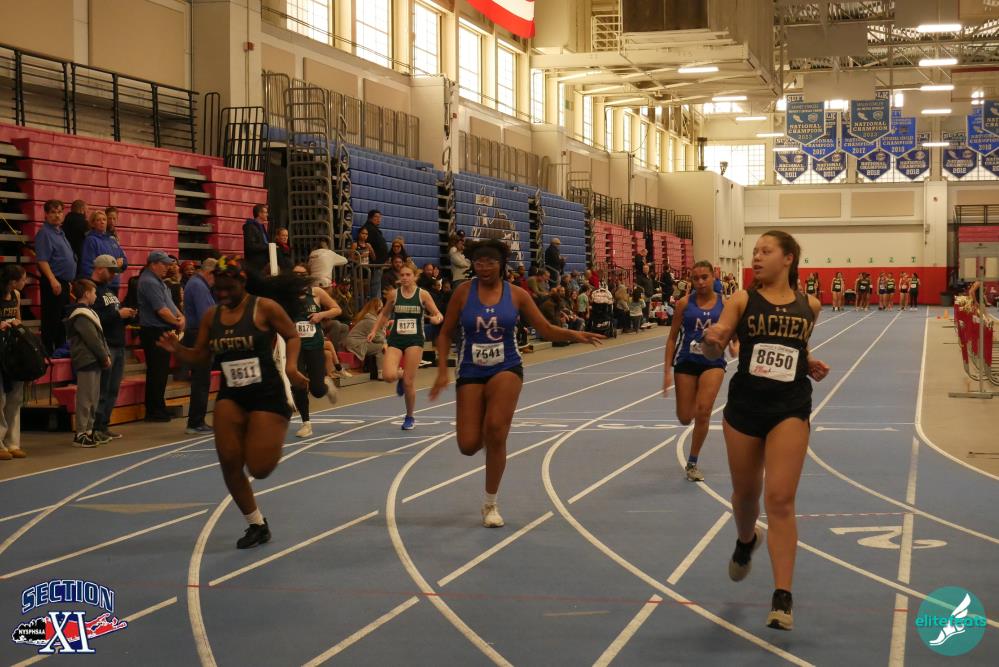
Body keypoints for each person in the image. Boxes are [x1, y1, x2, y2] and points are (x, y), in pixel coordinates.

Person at [701, 230, 831, 632]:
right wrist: (712, 342)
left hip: (790, 407)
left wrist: (808, 360)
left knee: (780, 499)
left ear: (788, 258)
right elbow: (717, 345)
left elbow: (796, 345)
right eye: (754, 251)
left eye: (765, 251)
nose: (756, 257)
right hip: (745, 408)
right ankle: (746, 540)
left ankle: (782, 596)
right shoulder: (742, 299)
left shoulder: (810, 305)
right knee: (745, 495)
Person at [429, 239, 603, 527]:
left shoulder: (517, 294)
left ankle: (490, 504)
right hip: (470, 369)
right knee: (468, 445)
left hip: (506, 365)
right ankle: (485, 427)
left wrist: (576, 335)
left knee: (496, 430)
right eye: (479, 262)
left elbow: (545, 328)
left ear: (501, 265)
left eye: (490, 262)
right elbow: (445, 332)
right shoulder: (463, 292)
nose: (484, 268)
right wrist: (441, 372)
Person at [158, 257, 308, 549]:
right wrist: (177, 349)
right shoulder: (211, 317)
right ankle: (256, 524)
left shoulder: (265, 307)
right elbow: (201, 357)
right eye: (218, 288)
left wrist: (291, 368)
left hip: (266, 395)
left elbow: (292, 335)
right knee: (228, 461)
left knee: (259, 469)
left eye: (229, 288)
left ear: (242, 282)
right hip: (232, 395)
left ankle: (275, 424)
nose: (223, 294)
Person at [663, 261, 730, 482]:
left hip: (713, 362)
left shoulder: (725, 303)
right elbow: (672, 338)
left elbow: (733, 333)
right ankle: (692, 400)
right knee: (685, 417)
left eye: (704, 277)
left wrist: (735, 345)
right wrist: (666, 371)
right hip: (686, 361)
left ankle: (692, 462)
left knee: (704, 411)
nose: (700, 282)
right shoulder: (684, 304)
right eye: (695, 278)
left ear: (713, 278)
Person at [368, 261, 443, 429]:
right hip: (396, 339)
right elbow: (384, 315)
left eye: (408, 275)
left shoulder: (422, 295)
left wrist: (436, 319)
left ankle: (409, 416)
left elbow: (438, 314)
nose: (404, 278)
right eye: (402, 275)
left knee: (409, 383)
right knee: (388, 376)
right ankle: (400, 375)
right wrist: (374, 330)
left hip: (415, 340)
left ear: (415, 276)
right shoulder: (394, 295)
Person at [288, 264, 341, 438]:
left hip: (314, 344)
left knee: (317, 390)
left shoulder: (316, 293)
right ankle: (306, 423)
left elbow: (337, 309)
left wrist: (321, 315)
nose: (299, 277)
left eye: (303, 274)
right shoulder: (287, 295)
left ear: (309, 276)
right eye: (295, 274)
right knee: (298, 384)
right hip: (295, 347)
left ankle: (326, 385)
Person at [91, 255, 137, 442]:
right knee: (102, 389)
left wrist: (127, 316)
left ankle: (104, 425)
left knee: (112, 389)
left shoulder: (109, 291)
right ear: (99, 269)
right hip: (106, 344)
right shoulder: (91, 290)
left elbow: (114, 315)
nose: (113, 275)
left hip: (118, 343)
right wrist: (118, 315)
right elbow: (94, 319)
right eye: (110, 271)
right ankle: (95, 427)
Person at [138, 251, 185, 422]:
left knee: (161, 371)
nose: (167, 267)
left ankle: (158, 407)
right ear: (153, 264)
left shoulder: (158, 281)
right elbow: (161, 310)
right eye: (164, 264)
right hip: (154, 331)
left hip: (160, 329)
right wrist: (177, 322)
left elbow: (169, 305)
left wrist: (180, 316)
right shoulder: (149, 282)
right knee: (157, 372)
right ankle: (154, 410)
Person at [65, 279, 111, 448]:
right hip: (87, 359)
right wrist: (104, 355)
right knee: (85, 398)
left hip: (94, 360)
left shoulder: (89, 312)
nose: (96, 295)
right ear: (86, 294)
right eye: (94, 292)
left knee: (93, 398)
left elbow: (99, 337)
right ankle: (80, 433)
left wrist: (104, 354)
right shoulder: (80, 314)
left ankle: (89, 430)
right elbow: (92, 338)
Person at [35, 200, 77, 354]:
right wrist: (52, 279)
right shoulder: (45, 233)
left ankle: (59, 349)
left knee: (61, 319)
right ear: (46, 214)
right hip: (53, 281)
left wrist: (67, 281)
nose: (57, 215)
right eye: (53, 212)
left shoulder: (60, 232)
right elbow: (42, 260)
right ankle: (47, 351)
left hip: (63, 282)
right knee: (51, 319)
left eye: (59, 212)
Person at [182, 258, 218, 435]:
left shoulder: (197, 284)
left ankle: (197, 421)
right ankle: (196, 422)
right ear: (210, 273)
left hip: (197, 334)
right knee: (201, 381)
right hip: (198, 335)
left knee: (201, 380)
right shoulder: (198, 286)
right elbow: (206, 315)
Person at [0, 265, 28, 459]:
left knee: (15, 398)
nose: (25, 282)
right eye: (23, 279)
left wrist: (16, 324)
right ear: (12, 281)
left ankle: (12, 442)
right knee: (0, 398)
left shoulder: (16, 295)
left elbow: (18, 319)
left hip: (12, 349)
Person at [79, 209, 128, 287]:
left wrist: (122, 263)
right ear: (93, 223)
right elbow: (87, 265)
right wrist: (95, 282)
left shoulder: (112, 239)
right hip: (100, 284)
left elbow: (124, 260)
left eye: (104, 219)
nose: (102, 222)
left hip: (114, 283)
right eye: (98, 220)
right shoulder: (91, 240)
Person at [345, 298, 387, 376]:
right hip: (356, 344)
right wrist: (386, 342)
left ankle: (382, 371)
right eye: (380, 306)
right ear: (376, 308)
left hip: (358, 342)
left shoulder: (369, 318)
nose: (382, 309)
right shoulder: (370, 321)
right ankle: (381, 373)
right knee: (381, 348)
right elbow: (378, 338)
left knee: (382, 345)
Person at [362, 210, 388, 300]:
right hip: (374, 265)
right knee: (374, 289)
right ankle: (374, 306)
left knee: (376, 288)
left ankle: (376, 305)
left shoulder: (374, 229)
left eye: (380, 217)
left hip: (378, 264)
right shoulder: (368, 229)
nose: (379, 219)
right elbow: (367, 246)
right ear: (370, 218)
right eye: (376, 217)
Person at [243, 204, 271, 277]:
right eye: (265, 212)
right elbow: (251, 246)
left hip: (263, 264)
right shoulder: (250, 227)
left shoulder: (262, 227)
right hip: (255, 265)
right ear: (259, 214)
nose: (267, 214)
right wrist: (268, 246)